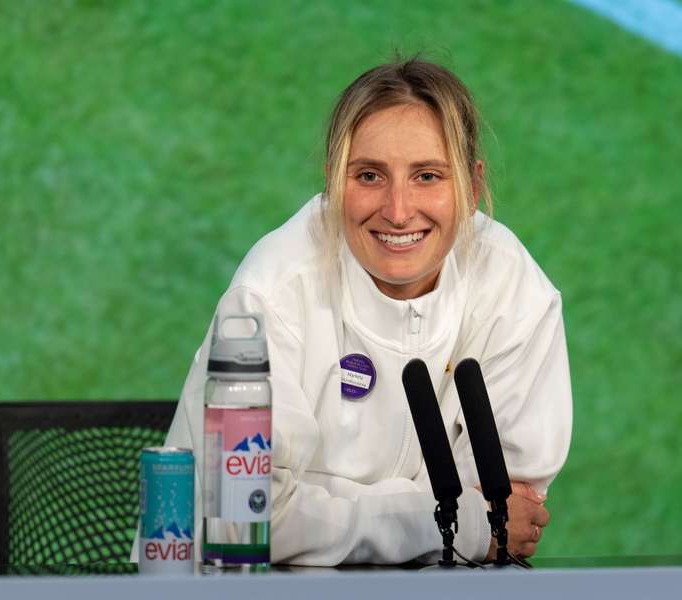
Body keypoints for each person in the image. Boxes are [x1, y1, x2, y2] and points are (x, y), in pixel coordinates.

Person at [164, 57, 572, 565]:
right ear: (334, 182)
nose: (398, 210)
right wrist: (442, 520)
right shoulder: (271, 292)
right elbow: (236, 519)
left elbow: (511, 510)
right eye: (370, 175)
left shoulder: (513, 289)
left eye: (427, 175)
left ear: (471, 187)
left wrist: (322, 503)